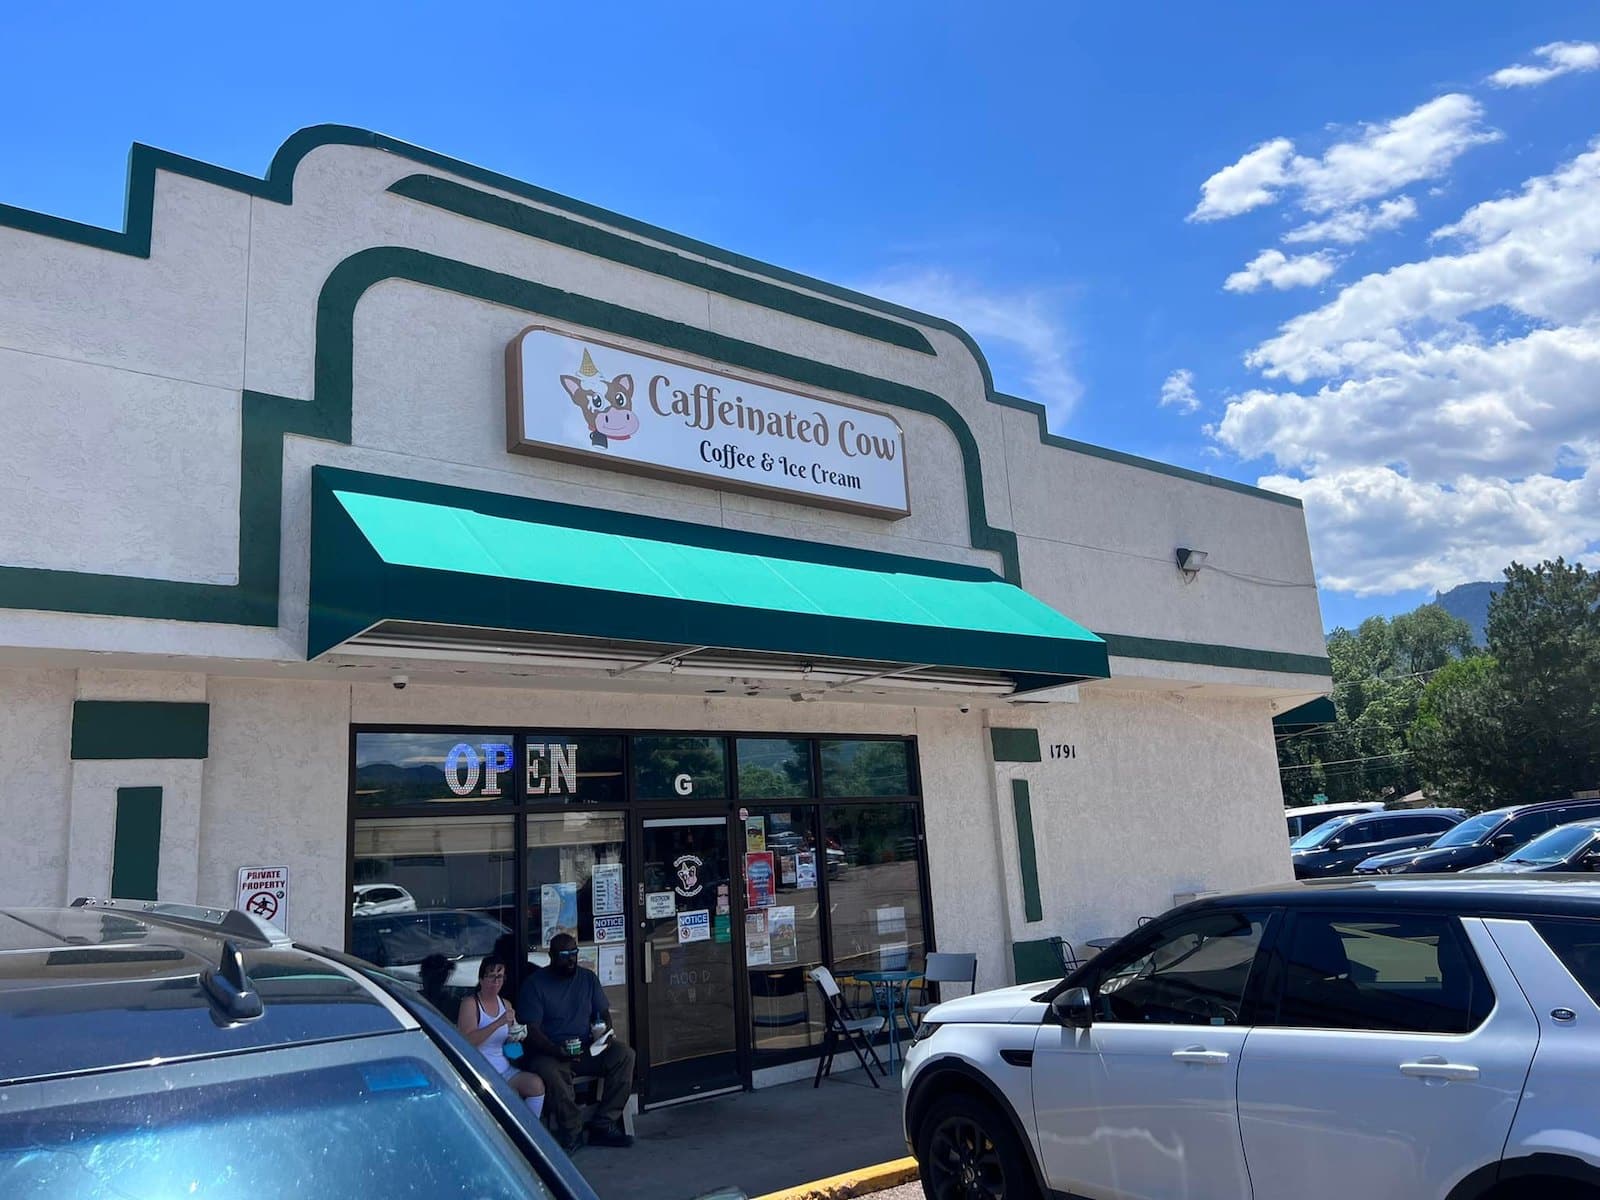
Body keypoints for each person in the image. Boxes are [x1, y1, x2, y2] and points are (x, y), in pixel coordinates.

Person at [517, 933, 636, 1150]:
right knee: (550, 1072)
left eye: (574, 953)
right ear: (552, 955)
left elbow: (603, 1012)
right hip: (551, 1051)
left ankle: (603, 1124)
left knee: (624, 1055)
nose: (571, 959)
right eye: (565, 954)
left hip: (586, 1048)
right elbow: (531, 1030)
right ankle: (573, 1131)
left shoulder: (587, 978)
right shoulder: (535, 984)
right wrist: (555, 1050)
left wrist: (605, 1034)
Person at [457, 957, 545, 1123]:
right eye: (492, 976)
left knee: (535, 1085)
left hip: (505, 1069)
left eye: (500, 977)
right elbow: (467, 1042)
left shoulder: (506, 1004)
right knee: (504, 1095)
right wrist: (498, 1023)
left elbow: (512, 1052)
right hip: (480, 1073)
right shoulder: (471, 1004)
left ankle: (529, 1131)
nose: (496, 982)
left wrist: (516, 1039)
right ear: (481, 979)